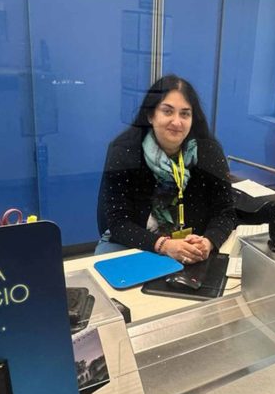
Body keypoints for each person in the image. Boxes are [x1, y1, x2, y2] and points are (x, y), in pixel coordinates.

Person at [96, 75, 236, 264]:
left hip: (191, 251)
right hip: (133, 245)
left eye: (185, 114)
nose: (177, 122)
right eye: (167, 111)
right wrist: (165, 245)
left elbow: (225, 212)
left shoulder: (208, 151)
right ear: (150, 115)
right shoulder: (125, 151)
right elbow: (118, 223)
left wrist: (208, 242)